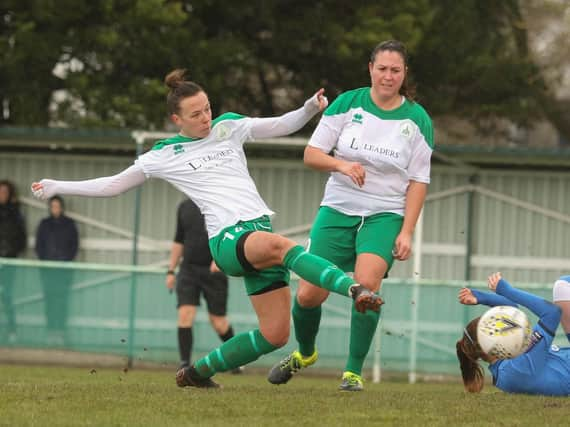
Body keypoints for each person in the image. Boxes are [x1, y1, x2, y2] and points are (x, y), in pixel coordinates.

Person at [30, 68, 383, 389]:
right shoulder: (163, 154)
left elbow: (280, 125)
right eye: (195, 114)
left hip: (256, 229)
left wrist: (309, 108)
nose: (205, 118)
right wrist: (59, 185)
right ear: (176, 119)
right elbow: (113, 185)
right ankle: (354, 289)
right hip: (228, 239)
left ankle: (196, 373)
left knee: (274, 335)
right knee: (281, 247)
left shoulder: (228, 126)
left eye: (207, 109)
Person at [268, 40, 434, 391]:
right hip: (338, 209)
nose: (388, 76)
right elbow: (312, 155)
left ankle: (353, 372)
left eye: (396, 70)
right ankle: (306, 352)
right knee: (308, 295)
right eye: (382, 68)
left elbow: (419, 181)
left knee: (368, 286)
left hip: (384, 214)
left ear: (404, 74)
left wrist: (406, 231)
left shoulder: (417, 120)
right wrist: (342, 165)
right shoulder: (347, 103)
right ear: (370, 68)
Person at [457, 272, 570, 396]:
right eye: (495, 327)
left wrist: (481, 297)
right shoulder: (516, 369)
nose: (503, 325)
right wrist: (507, 290)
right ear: (489, 343)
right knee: (563, 286)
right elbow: (551, 313)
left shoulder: (507, 365)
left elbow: (512, 308)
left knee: (562, 286)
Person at [166, 198, 241, 373]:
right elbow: (179, 240)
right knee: (185, 314)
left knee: (219, 322)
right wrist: (171, 270)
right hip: (188, 270)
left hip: (214, 271)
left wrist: (220, 259)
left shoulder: (224, 205)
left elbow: (233, 235)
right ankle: (184, 364)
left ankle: (236, 361)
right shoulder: (184, 206)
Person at [35, 195, 79, 346]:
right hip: (48, 271)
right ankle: (50, 331)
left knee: (61, 302)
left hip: (63, 271)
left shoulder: (69, 224)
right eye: (53, 206)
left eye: (57, 206)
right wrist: (46, 262)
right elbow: (39, 246)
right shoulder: (44, 224)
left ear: (62, 207)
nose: (55, 209)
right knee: (49, 301)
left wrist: (64, 262)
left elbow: (74, 246)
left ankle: (60, 332)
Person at [0, 180, 27, 342]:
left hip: (9, 261)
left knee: (7, 296)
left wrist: (9, 254)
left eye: (5, 191)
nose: (2, 194)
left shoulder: (15, 213)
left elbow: (20, 237)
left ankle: (11, 330)